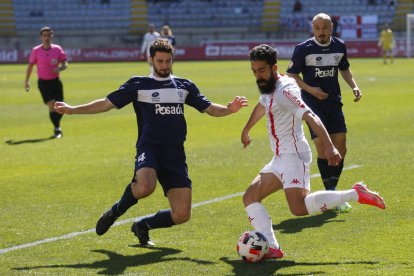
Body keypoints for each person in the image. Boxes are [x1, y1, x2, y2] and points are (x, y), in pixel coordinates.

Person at [54, 38, 248, 247]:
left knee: (182, 214)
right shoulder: (139, 84)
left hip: (175, 153)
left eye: (168, 61)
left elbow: (210, 108)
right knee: (146, 186)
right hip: (150, 147)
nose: (164, 66)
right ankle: (116, 210)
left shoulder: (184, 86)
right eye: (160, 61)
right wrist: (73, 109)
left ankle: (142, 226)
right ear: (151, 60)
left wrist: (230, 109)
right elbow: (106, 103)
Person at [242, 44, 385, 260]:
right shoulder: (270, 88)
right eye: (254, 71)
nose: (257, 76)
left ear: (274, 68)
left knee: (298, 208)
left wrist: (329, 146)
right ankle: (272, 247)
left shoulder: (285, 90)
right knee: (250, 197)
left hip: (294, 156)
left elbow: (311, 116)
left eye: (261, 71)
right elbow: (262, 105)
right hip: (279, 157)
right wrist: (246, 129)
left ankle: (356, 193)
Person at [287, 13, 362, 213]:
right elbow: (292, 75)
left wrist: (354, 86)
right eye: (317, 28)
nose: (321, 32)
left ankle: (332, 191)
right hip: (312, 104)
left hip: (334, 102)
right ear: (313, 28)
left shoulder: (339, 46)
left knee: (341, 148)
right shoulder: (303, 49)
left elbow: (344, 68)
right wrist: (311, 90)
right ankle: (332, 194)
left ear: (331, 28)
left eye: (325, 28)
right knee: (322, 147)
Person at [25, 26, 68, 139]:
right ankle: (57, 128)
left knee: (61, 107)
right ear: (41, 37)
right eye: (44, 35)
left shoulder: (57, 49)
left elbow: (65, 64)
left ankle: (57, 127)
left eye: (49, 35)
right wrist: (27, 81)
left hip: (56, 82)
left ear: (52, 36)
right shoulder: (36, 50)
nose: (47, 37)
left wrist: (59, 69)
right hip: (43, 83)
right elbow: (30, 66)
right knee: (52, 106)